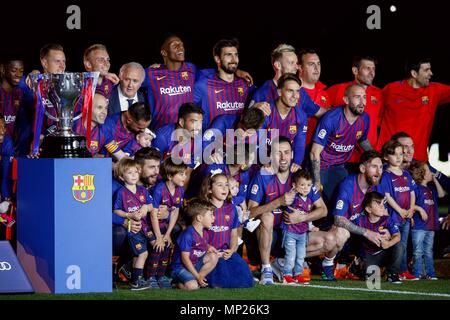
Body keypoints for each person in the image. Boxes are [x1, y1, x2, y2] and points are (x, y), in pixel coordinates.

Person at [248, 137, 331, 284]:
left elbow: (323, 210)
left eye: (286, 152)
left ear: (292, 155)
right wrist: (278, 202)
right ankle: (266, 269)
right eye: (278, 153)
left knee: (331, 240)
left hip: (294, 233)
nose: (282, 157)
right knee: (267, 217)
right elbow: (250, 213)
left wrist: (302, 218)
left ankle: (281, 263)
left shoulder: (300, 176)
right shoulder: (263, 175)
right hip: (269, 237)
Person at [141, 34, 253, 131]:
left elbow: (217, 72)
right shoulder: (151, 73)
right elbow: (130, 82)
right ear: (164, 52)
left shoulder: (191, 69)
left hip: (187, 133)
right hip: (160, 132)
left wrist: (236, 70)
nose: (181, 48)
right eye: (175, 45)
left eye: (181, 44)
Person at [377, 57, 450, 161]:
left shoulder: (435, 90)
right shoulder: (390, 90)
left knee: (439, 178)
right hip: (389, 159)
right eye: (426, 70)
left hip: (418, 160)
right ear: (414, 74)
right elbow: (375, 117)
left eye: (430, 69)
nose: (431, 73)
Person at [310, 83, 372, 202]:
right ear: (346, 100)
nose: (362, 102)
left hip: (340, 166)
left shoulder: (365, 118)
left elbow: (362, 140)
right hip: (322, 165)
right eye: (357, 97)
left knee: (346, 200)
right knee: (320, 202)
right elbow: (314, 152)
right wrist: (317, 181)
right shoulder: (331, 118)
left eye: (364, 97)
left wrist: (376, 156)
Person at [332, 150, 384, 279]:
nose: (379, 172)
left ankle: (356, 263)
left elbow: (383, 214)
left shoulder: (375, 186)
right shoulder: (347, 186)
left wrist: (386, 230)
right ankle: (337, 262)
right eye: (374, 167)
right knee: (341, 233)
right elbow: (337, 219)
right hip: (341, 234)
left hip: (359, 235)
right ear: (362, 168)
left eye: (381, 167)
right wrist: (367, 232)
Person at [199, 172, 253, 288]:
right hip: (209, 253)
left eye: (226, 185)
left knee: (244, 279)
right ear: (209, 189)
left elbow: (234, 234)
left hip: (224, 252)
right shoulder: (203, 208)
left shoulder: (231, 208)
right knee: (218, 280)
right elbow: (197, 234)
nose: (224, 188)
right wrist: (208, 248)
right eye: (219, 185)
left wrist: (232, 249)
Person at [327, 56, 382, 165]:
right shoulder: (338, 90)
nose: (372, 73)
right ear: (355, 70)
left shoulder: (379, 94)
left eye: (373, 69)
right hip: (342, 157)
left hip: (368, 156)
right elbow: (324, 114)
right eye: (367, 68)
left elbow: (379, 121)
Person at [250, 44, 327, 122]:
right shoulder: (263, 92)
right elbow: (245, 125)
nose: (296, 67)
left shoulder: (300, 91)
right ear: (278, 65)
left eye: (296, 63)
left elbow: (320, 112)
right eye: (291, 63)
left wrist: (339, 110)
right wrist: (253, 111)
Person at [378, 140, 417, 280]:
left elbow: (412, 192)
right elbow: (387, 195)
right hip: (394, 217)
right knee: (397, 244)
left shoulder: (406, 174)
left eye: (401, 154)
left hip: (406, 217)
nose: (399, 157)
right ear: (386, 157)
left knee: (404, 245)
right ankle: (391, 270)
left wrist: (411, 209)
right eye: (394, 154)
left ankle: (403, 270)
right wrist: (400, 210)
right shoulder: (386, 175)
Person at [193, 38, 255, 128]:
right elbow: (186, 111)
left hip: (239, 139)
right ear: (218, 59)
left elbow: (261, 98)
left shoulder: (245, 83)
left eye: (236, 55)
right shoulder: (203, 85)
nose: (234, 59)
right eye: (229, 55)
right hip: (213, 140)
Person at [113, 159, 153, 290]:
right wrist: (129, 215)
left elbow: (151, 205)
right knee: (143, 254)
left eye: (136, 172)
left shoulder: (142, 190)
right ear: (121, 176)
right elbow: (116, 210)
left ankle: (133, 278)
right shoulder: (121, 192)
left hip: (144, 228)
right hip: (132, 230)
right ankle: (136, 281)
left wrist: (144, 209)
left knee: (139, 254)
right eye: (130, 173)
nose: (134, 175)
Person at [147, 158, 186, 288]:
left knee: (167, 246)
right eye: (181, 174)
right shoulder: (159, 189)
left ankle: (161, 276)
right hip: (150, 225)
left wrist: (168, 234)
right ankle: (150, 277)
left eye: (185, 173)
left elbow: (175, 212)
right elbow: (153, 214)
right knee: (158, 247)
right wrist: (158, 237)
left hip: (164, 225)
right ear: (169, 176)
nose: (184, 177)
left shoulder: (180, 190)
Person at [280, 169, 322, 284]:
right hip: (290, 231)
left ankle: (298, 274)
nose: (305, 188)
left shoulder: (309, 199)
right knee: (291, 254)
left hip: (302, 233)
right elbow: (290, 208)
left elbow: (306, 216)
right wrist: (293, 190)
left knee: (301, 256)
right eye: (302, 185)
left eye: (308, 185)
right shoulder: (293, 197)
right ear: (294, 185)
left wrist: (311, 226)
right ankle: (287, 274)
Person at [260, 74, 308, 168]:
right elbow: (258, 143)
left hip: (285, 163)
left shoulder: (301, 116)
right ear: (279, 92)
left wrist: (296, 163)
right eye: (290, 91)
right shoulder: (266, 111)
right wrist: (266, 163)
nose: (295, 96)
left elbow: (299, 145)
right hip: (263, 163)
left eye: (297, 91)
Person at [355, 191, 403, 284]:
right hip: (368, 256)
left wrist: (388, 243)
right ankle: (357, 266)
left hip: (383, 253)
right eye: (378, 204)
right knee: (371, 280)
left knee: (399, 246)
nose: (382, 206)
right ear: (369, 209)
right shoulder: (360, 221)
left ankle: (392, 274)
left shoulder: (387, 219)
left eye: (382, 203)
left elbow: (397, 236)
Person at [170, 198, 219, 290]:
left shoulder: (205, 233)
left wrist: (208, 247)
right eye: (211, 215)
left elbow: (198, 245)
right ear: (199, 218)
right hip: (180, 268)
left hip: (194, 264)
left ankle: (199, 280)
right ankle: (176, 283)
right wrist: (197, 276)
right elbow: (185, 259)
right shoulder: (187, 234)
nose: (214, 218)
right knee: (192, 287)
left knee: (213, 256)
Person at [409, 161, 446, 280]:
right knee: (418, 251)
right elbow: (410, 205)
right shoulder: (416, 188)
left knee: (429, 251)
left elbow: (441, 195)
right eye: (429, 171)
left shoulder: (431, 189)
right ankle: (417, 273)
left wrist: (435, 181)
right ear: (423, 174)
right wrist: (420, 209)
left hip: (430, 226)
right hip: (419, 226)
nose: (432, 173)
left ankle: (431, 273)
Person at [152, 102, 204, 172]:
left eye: (200, 122)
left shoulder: (198, 139)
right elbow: (153, 168)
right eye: (194, 122)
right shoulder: (161, 137)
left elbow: (187, 172)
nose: (199, 127)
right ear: (182, 122)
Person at [297, 49, 331, 145]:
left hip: (316, 152)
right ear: (300, 67)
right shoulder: (291, 90)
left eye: (318, 64)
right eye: (311, 64)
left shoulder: (324, 94)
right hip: (291, 149)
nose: (317, 68)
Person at [0, 59, 26, 138]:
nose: (18, 75)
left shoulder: (21, 93)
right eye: (14, 70)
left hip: (16, 146)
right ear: (2, 69)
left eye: (21, 71)